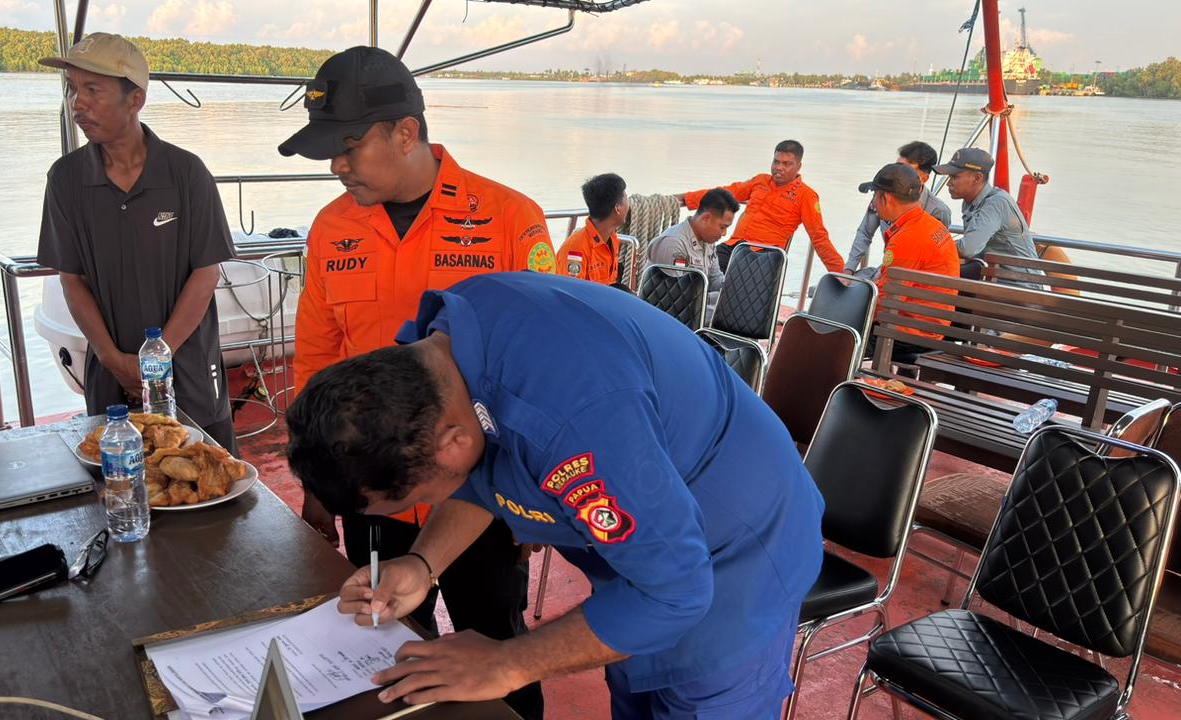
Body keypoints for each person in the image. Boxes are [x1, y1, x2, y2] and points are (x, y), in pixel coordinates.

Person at [285, 272, 824, 719]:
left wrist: (509, 664)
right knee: (635, 681)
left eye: (409, 502)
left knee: (696, 690)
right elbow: (484, 468)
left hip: (738, 551)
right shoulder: (442, 358)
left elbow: (674, 592)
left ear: (451, 442)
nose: (412, 512)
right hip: (641, 539)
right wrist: (423, 563)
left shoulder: (574, 422)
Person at [280, 46, 551, 720]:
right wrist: (319, 490)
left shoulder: (510, 219)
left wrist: (540, 495)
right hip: (375, 500)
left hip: (484, 499)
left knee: (500, 655)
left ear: (405, 132)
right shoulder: (331, 228)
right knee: (382, 657)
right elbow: (314, 365)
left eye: (346, 146)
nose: (335, 166)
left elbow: (545, 377)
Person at [35, 33, 238, 452]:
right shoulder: (66, 179)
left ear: (135, 100)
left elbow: (205, 274)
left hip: (188, 366)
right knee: (117, 479)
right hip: (109, 370)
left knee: (208, 473)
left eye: (93, 89)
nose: (78, 103)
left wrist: (156, 358)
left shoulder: (186, 173)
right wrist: (113, 359)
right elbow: (71, 280)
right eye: (73, 89)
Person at [679, 140, 844, 273]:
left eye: (787, 164)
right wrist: (684, 199)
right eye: (776, 161)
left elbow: (819, 236)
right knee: (695, 266)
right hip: (734, 246)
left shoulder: (806, 195)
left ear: (798, 166)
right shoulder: (761, 181)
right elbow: (724, 194)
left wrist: (839, 272)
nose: (779, 167)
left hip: (763, 254)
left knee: (720, 278)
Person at [857, 164, 960, 358]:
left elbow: (886, 301)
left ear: (885, 198)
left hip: (910, 334)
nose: (874, 204)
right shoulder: (931, 225)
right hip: (931, 326)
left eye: (874, 197)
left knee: (836, 336)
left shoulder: (907, 238)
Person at [934, 147, 1041, 287]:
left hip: (1021, 286)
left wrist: (931, 246)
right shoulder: (969, 202)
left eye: (954, 177)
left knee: (935, 282)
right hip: (994, 280)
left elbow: (968, 249)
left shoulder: (996, 203)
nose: (949, 183)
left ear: (977, 178)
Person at [845, 141, 953, 277]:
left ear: (923, 179)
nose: (897, 173)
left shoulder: (937, 212)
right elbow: (865, 232)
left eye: (906, 171)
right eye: (897, 167)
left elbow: (926, 261)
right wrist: (848, 270)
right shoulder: (881, 196)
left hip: (911, 277)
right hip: (890, 268)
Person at [645, 188, 736, 314]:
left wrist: (734, 291)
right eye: (722, 227)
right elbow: (674, 296)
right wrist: (721, 300)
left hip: (692, 308)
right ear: (706, 218)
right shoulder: (673, 243)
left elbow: (715, 279)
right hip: (666, 314)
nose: (724, 234)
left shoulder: (708, 243)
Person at [557, 173, 627, 287]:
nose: (628, 206)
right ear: (617, 208)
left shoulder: (612, 238)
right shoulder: (576, 250)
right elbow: (570, 295)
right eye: (626, 198)